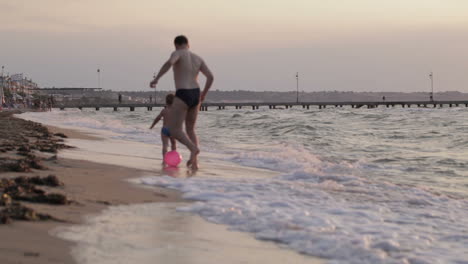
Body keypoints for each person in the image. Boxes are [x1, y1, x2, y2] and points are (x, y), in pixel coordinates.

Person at [150, 35, 214, 170]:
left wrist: (157, 79)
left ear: (176, 45)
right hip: (196, 93)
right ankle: (195, 162)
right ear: (188, 44)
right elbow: (210, 77)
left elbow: (170, 63)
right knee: (190, 129)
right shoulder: (198, 58)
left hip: (183, 93)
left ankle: (193, 149)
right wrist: (204, 94)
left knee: (174, 130)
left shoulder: (177, 53)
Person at [150, 94, 177, 164]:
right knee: (173, 144)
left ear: (166, 102)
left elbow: (157, 118)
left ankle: (164, 160)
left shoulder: (164, 110)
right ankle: (174, 158)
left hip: (165, 129)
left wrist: (152, 126)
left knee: (165, 145)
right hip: (173, 130)